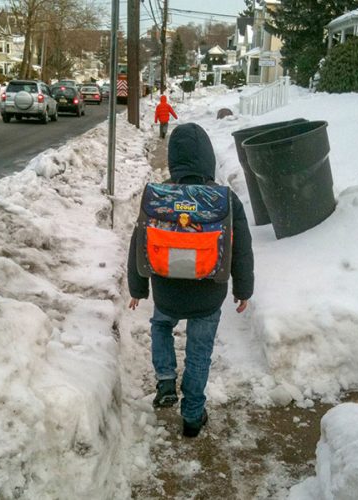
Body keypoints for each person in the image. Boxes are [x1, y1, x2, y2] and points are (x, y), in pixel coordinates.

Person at [127, 123, 254, 438]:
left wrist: (138, 288)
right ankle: (193, 416)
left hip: (167, 289)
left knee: (160, 326)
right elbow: (241, 249)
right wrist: (243, 289)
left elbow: (138, 242)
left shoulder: (159, 196)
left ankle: (166, 381)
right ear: (208, 159)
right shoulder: (224, 199)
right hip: (208, 294)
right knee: (199, 352)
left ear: (174, 161)